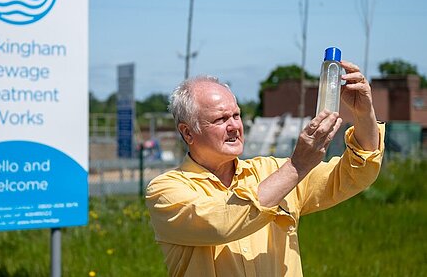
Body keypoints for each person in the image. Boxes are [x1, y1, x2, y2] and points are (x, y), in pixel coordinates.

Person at [145, 60, 385, 277]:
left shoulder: (271, 170)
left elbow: (356, 173)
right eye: (221, 119)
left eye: (236, 115)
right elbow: (221, 224)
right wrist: (296, 166)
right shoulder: (166, 191)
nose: (234, 126)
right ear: (188, 132)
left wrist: (364, 114)